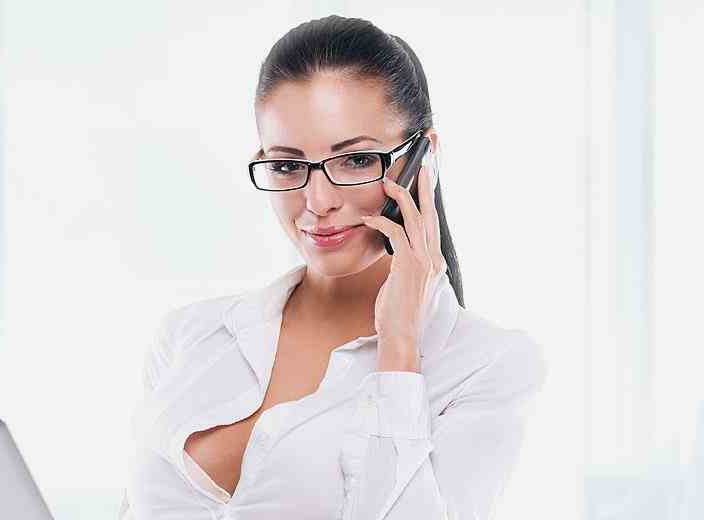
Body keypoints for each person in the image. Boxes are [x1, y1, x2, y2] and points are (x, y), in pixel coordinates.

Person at [118, 15, 547, 520]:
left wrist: (399, 348)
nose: (317, 201)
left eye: (356, 161)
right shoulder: (189, 337)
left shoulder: (485, 365)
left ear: (421, 159)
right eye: (287, 165)